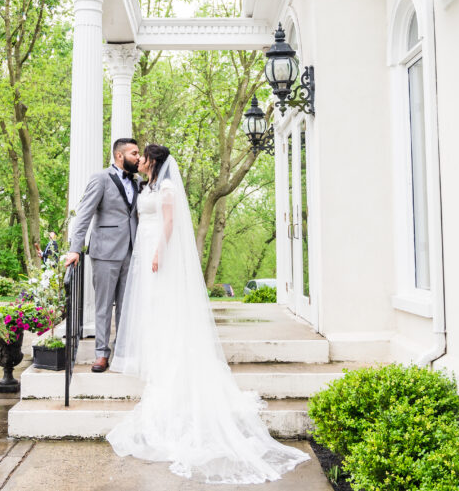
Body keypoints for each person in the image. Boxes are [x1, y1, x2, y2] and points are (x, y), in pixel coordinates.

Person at [107, 144, 309, 484]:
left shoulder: (168, 188)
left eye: (143, 158)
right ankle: (159, 361)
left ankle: (173, 368)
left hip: (160, 254)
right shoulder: (148, 187)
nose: (138, 161)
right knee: (151, 312)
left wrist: (158, 253)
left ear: (153, 162)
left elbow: (169, 224)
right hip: (144, 254)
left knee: (166, 310)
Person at [67, 138, 141, 373]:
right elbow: (84, 215)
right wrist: (74, 249)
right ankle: (101, 353)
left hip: (131, 251)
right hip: (105, 253)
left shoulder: (138, 182)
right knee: (103, 306)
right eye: (134, 153)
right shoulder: (100, 179)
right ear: (120, 156)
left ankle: (121, 350)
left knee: (126, 306)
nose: (138, 157)